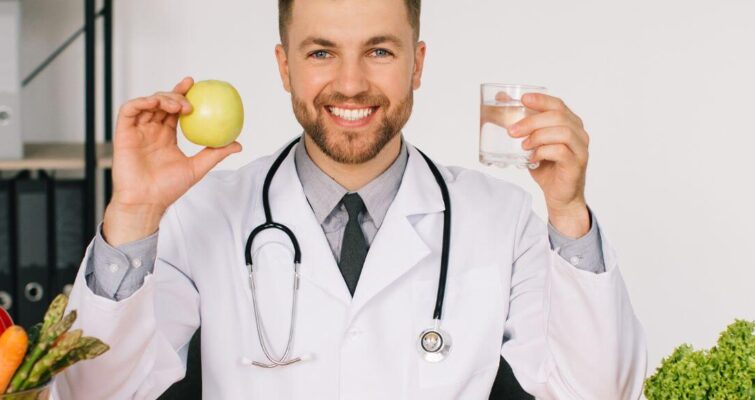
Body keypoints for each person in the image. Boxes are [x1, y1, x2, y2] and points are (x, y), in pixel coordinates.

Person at [52, 0, 647, 398]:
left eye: (381, 51)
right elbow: (96, 393)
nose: (352, 82)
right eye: (321, 52)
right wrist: (133, 215)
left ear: (417, 64)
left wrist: (570, 215)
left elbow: (597, 392)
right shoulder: (203, 212)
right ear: (284, 68)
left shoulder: (504, 217)